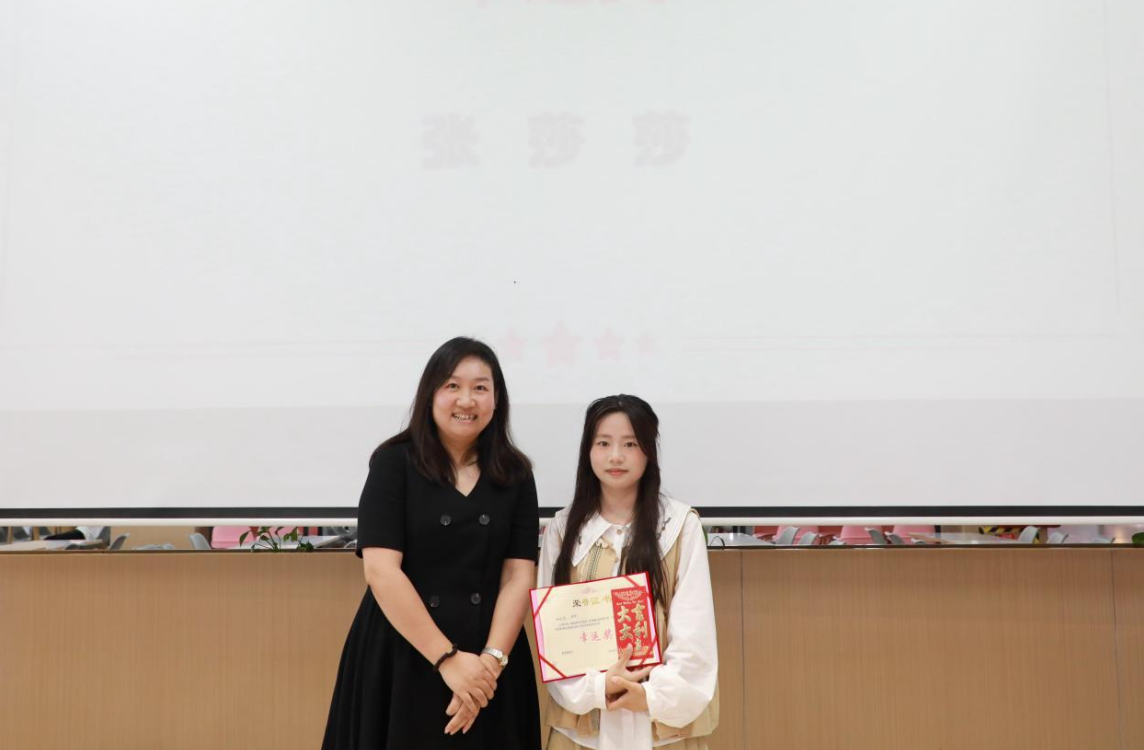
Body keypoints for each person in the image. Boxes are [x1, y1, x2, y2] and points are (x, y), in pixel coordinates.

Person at [322, 337, 541, 749]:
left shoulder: (514, 473)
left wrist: (488, 667)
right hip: (404, 651)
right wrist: (447, 659)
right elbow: (381, 571)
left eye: (480, 387)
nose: (466, 400)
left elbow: (518, 575)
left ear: (497, 400)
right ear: (430, 394)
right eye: (452, 385)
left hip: (490, 656)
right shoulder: (393, 462)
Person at [537, 395, 719, 750]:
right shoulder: (562, 530)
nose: (616, 456)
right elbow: (555, 643)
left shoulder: (679, 527)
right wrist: (597, 688)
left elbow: (694, 639)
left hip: (662, 734)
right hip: (582, 735)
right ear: (588, 451)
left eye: (630, 444)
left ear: (649, 452)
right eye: (603, 443)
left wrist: (649, 695)